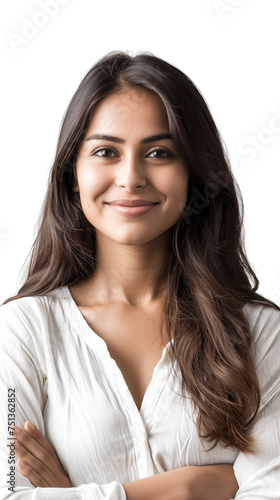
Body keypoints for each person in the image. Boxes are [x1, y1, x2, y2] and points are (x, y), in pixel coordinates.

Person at [0, 50, 279, 500]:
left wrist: (72, 493)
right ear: (74, 174)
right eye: (106, 151)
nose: (130, 177)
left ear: (193, 173)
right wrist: (192, 486)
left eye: (159, 152)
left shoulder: (259, 333)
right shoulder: (23, 331)